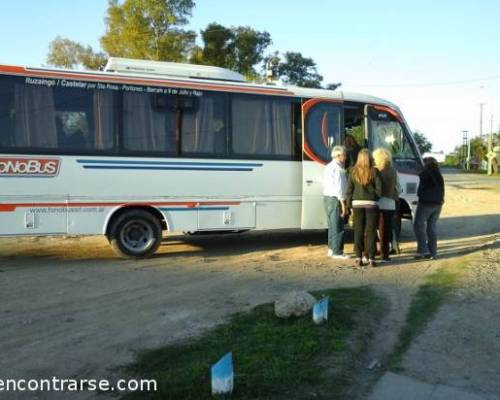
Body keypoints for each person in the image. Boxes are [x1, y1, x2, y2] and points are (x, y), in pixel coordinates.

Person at [346, 149, 382, 267]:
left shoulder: (353, 171)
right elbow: (380, 190)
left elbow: (349, 190)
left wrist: (348, 205)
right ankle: (371, 258)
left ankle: (358, 258)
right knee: (371, 232)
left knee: (358, 231)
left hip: (357, 204)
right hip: (371, 204)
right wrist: (374, 196)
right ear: (370, 158)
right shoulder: (375, 171)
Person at [413, 157, 445, 259]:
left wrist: (420, 198)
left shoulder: (425, 174)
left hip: (426, 204)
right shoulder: (439, 175)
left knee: (418, 225)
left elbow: (420, 191)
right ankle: (433, 252)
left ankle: (423, 251)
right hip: (438, 204)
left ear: (426, 164)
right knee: (431, 227)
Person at [373, 148, 400, 262]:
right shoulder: (393, 170)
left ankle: (375, 252)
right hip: (390, 203)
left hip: (376, 202)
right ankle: (385, 253)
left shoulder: (374, 170)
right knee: (386, 229)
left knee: (373, 228)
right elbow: (399, 187)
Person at [323, 145, 350, 260]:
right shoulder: (338, 168)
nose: (346, 157)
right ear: (338, 155)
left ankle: (331, 249)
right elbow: (339, 188)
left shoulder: (329, 166)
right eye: (344, 154)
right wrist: (343, 204)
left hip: (327, 198)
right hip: (336, 199)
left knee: (331, 225)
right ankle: (337, 252)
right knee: (338, 226)